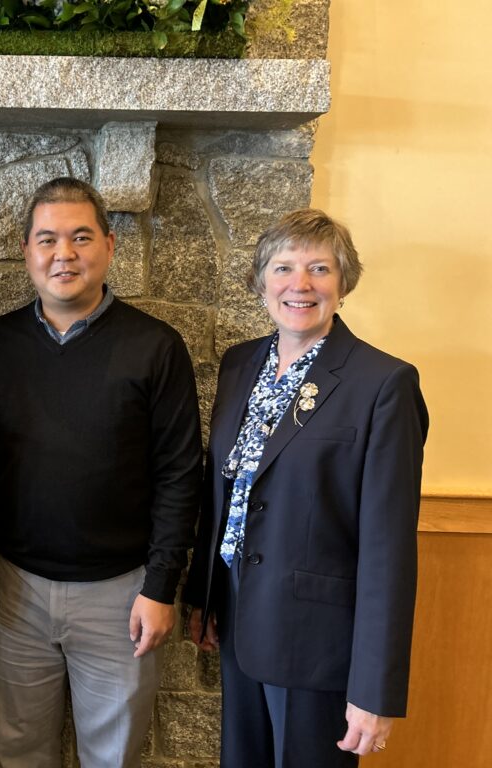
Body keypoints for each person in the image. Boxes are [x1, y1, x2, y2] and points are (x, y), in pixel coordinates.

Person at [0, 177, 203, 767]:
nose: (63, 254)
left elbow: (180, 474)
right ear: (26, 250)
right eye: (47, 239)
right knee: (21, 752)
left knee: (114, 756)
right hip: (17, 592)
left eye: (80, 237)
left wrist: (160, 587)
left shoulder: (156, 347)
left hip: (122, 596)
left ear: (110, 245)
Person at [184, 208, 428, 767]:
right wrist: (205, 596)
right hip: (242, 620)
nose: (300, 284)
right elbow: (222, 489)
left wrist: (374, 689)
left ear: (343, 283)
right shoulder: (240, 364)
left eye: (319, 268)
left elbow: (388, 549)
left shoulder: (383, 384)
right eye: (283, 267)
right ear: (261, 281)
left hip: (319, 644)